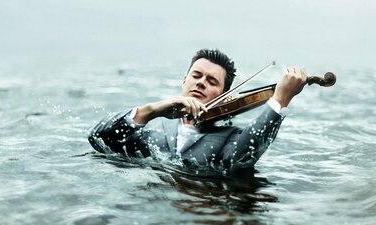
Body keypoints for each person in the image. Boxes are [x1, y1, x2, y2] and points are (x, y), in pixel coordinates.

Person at [88, 49, 307, 173]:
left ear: (224, 95)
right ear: (184, 79)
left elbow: (244, 155)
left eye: (212, 81)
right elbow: (98, 138)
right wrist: (151, 110)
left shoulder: (231, 138)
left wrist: (281, 99)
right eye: (196, 75)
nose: (201, 83)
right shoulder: (150, 122)